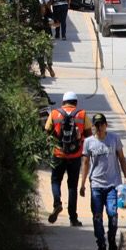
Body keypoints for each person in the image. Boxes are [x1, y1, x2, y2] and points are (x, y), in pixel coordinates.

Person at [79, 112, 126, 250]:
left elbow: (121, 158)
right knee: (97, 216)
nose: (99, 127)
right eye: (96, 125)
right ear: (93, 127)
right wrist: (82, 184)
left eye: (101, 124)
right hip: (96, 185)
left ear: (106, 125)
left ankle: (111, 237)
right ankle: (101, 243)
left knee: (113, 214)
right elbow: (86, 163)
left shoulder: (114, 139)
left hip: (113, 184)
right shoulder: (88, 142)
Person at [44, 91, 87, 225]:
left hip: (58, 153)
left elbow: (47, 131)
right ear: (76, 102)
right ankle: (73, 218)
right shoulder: (82, 114)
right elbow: (90, 135)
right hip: (75, 155)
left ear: (63, 102)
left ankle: (57, 203)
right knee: (72, 186)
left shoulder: (55, 113)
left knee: (55, 181)